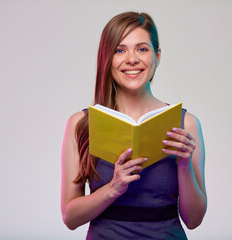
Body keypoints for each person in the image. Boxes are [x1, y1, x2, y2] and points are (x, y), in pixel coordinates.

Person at [61, 11, 207, 240]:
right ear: (106, 58)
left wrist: (184, 165)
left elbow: (194, 220)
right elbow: (70, 218)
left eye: (142, 49)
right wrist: (113, 189)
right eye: (120, 50)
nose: (131, 59)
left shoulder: (186, 123)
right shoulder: (80, 124)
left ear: (157, 56)